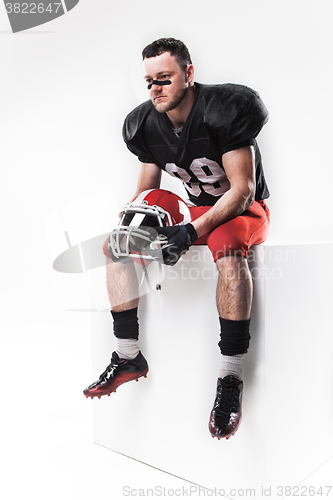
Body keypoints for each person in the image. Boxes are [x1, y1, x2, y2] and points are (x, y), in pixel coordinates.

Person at [83, 37, 270, 440]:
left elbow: (242, 191)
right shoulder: (145, 123)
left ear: (188, 73)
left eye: (164, 78)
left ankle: (230, 378)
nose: (156, 88)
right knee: (117, 243)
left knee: (227, 245)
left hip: (238, 210)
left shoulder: (223, 109)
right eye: (149, 81)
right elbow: (147, 192)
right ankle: (128, 355)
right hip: (195, 211)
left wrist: (190, 232)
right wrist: (138, 232)